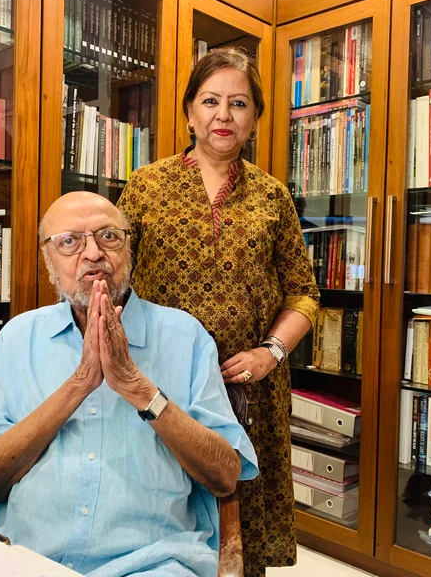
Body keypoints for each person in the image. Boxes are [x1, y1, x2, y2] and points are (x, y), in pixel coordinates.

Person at [0, 191, 258, 577]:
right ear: (48, 258)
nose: (92, 253)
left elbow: (225, 476)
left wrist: (139, 389)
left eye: (108, 237)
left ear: (128, 250)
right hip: (25, 557)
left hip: (152, 563)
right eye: (70, 241)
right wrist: (79, 384)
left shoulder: (185, 337)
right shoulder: (19, 338)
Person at [117, 47, 320, 576]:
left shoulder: (273, 197)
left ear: (254, 119)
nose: (223, 115)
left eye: (238, 103)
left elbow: (304, 293)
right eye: (210, 101)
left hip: (247, 391)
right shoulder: (145, 186)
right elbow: (113, 274)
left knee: (240, 534)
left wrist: (271, 352)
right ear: (189, 112)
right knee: (160, 518)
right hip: (161, 383)